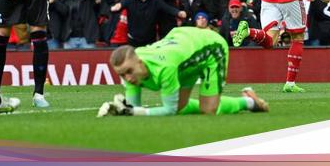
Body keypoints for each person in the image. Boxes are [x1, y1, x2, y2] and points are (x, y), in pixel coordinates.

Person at [100, 27, 269, 117]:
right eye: (122, 74)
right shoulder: (129, 67)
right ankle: (250, 101)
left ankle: (249, 102)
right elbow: (134, 109)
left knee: (208, 110)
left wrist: (132, 112)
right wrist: (123, 110)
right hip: (184, 52)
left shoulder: (164, 68)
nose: (127, 78)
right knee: (181, 107)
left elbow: (168, 110)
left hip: (210, 48)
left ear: (139, 61)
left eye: (129, 72)